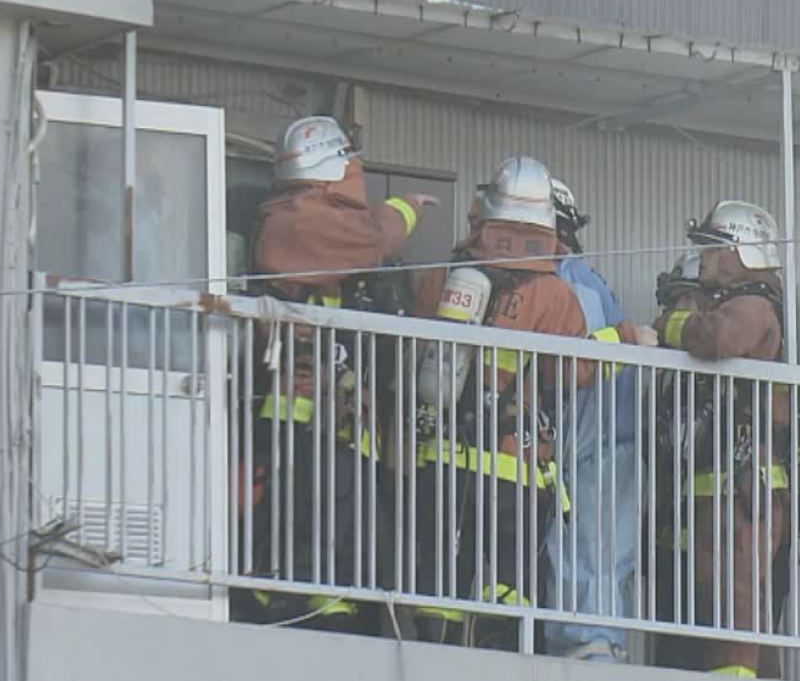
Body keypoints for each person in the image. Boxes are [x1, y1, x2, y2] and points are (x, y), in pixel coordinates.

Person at [241, 115, 436, 632]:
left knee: (351, 530)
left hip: (344, 420)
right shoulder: (300, 221)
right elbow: (371, 238)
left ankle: (344, 608)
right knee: (313, 528)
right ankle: (314, 612)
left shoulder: (307, 220)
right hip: (304, 417)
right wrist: (406, 209)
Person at [407, 156, 595, 648]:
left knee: (440, 577)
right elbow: (573, 371)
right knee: (511, 586)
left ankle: (436, 653)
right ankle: (501, 661)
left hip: (442, 461)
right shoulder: (555, 294)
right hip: (516, 469)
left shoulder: (441, 279)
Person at [652, 201, 790, 679]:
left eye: (712, 248)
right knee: (715, 593)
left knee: (738, 596)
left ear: (740, 252)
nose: (704, 258)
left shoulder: (752, 306)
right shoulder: (730, 301)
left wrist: (670, 326)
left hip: (745, 485)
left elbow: (718, 339)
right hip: (721, 481)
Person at [544, 177, 656, 663]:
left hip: (596, 446)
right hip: (605, 443)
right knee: (598, 545)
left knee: (591, 546)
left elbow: (582, 364)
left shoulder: (571, 284)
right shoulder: (582, 280)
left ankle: (590, 639)